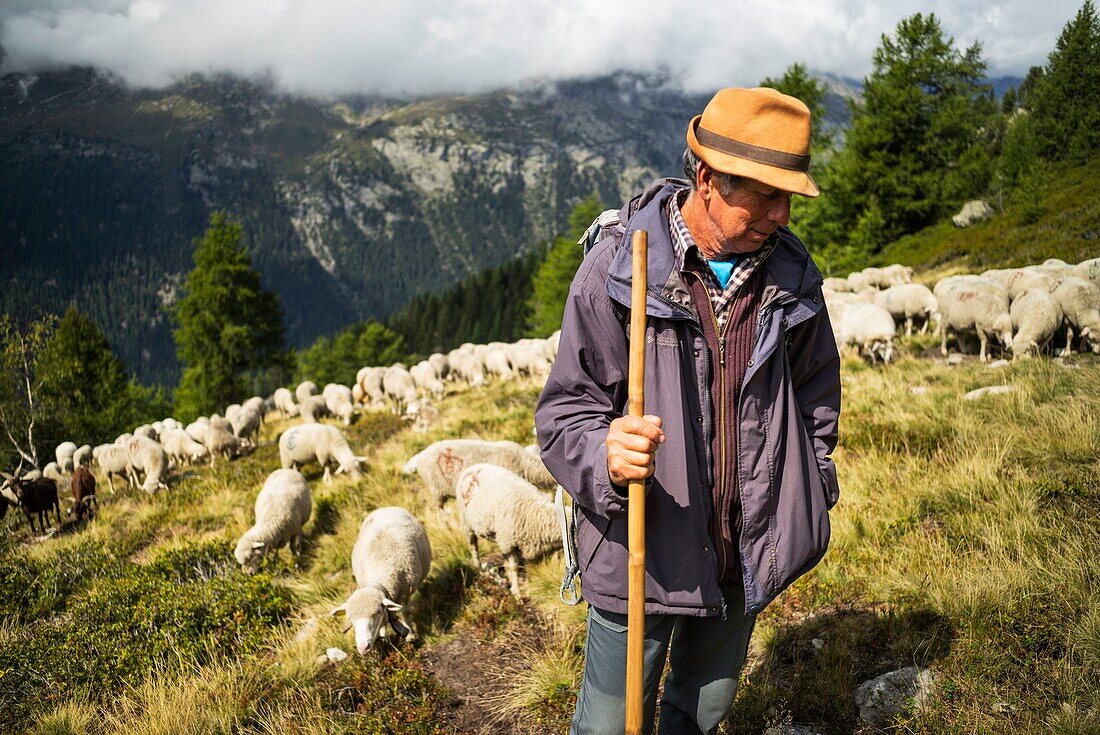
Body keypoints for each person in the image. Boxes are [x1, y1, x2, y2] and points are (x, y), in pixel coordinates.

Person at [534, 87, 842, 735]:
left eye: (790, 197)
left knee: (702, 709)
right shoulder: (618, 271)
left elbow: (816, 392)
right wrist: (604, 453)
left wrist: (812, 482)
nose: (783, 214)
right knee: (610, 721)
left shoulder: (792, 277)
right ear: (707, 180)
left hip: (744, 550)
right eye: (765, 195)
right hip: (643, 544)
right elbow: (565, 412)